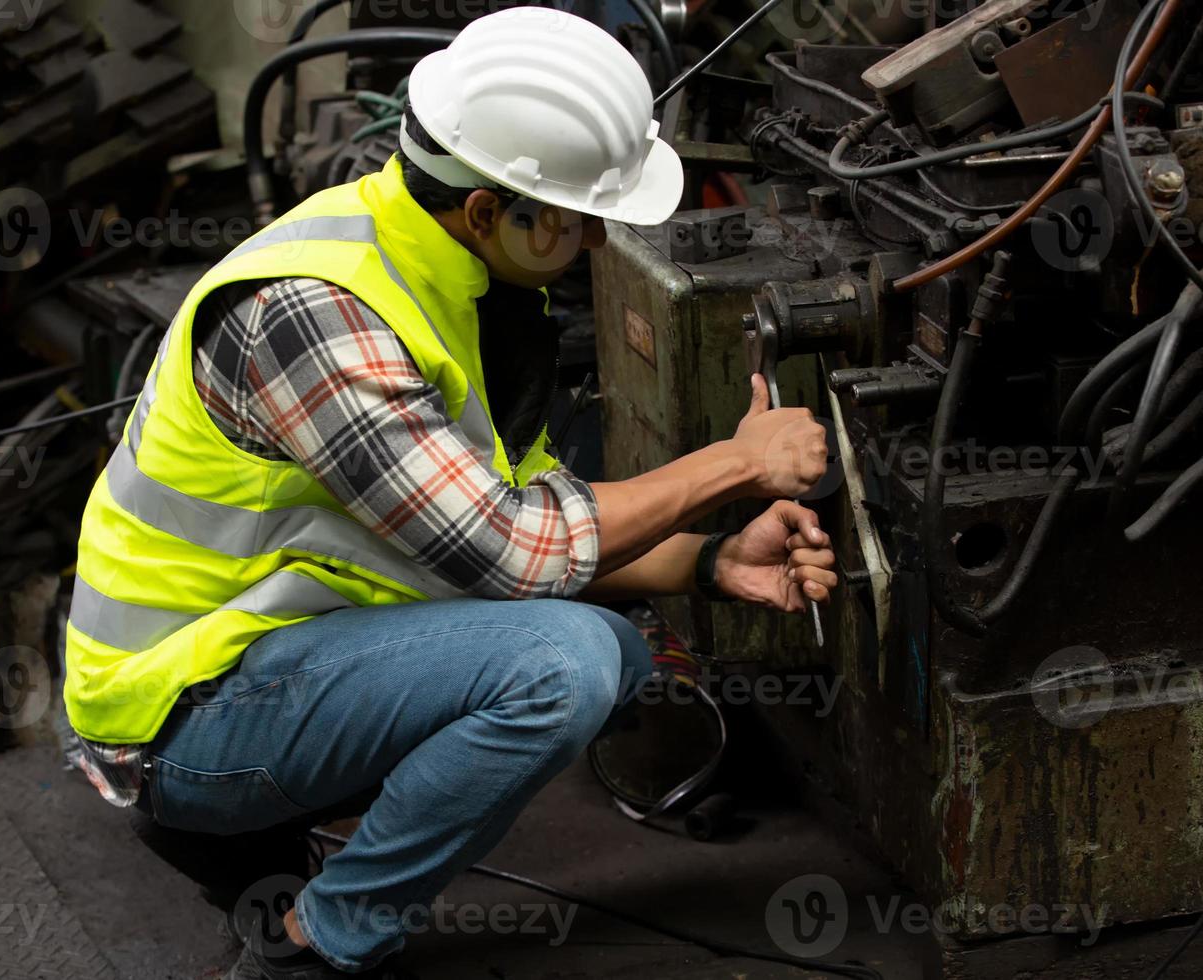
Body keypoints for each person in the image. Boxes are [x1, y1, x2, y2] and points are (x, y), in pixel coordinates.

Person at [62, 9, 837, 978]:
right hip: (176, 719)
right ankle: (317, 943)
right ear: (485, 212)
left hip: (262, 668)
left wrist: (717, 562)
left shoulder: (452, 279)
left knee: (584, 640)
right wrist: (736, 463)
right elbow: (519, 555)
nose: (596, 242)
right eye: (579, 217)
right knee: (568, 662)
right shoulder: (320, 314)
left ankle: (270, 839)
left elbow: (536, 510)